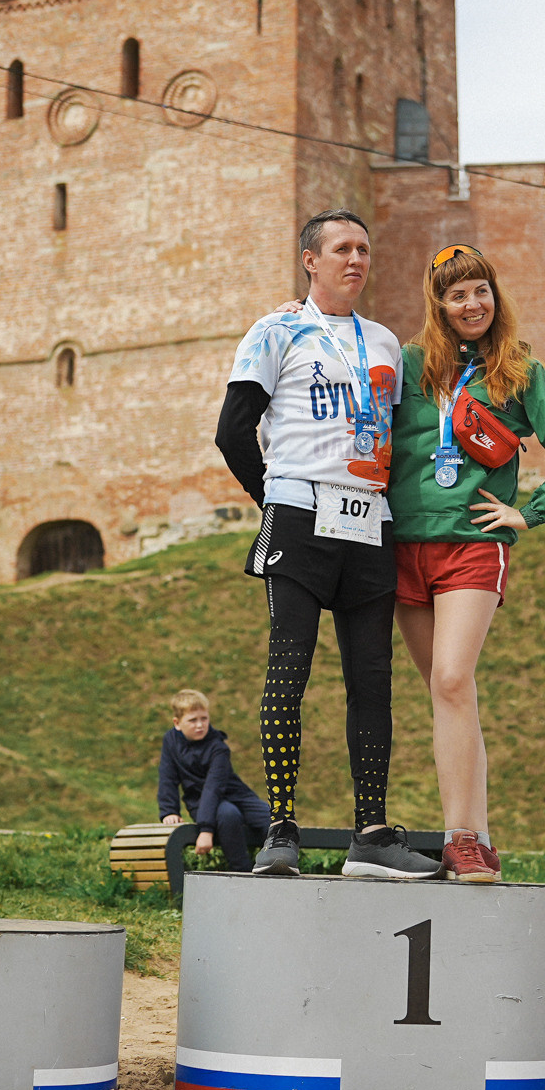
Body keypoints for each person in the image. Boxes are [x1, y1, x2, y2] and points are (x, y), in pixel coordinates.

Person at [215, 209, 440, 880]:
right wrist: (276, 497)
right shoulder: (274, 329)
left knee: (372, 680)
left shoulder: (385, 343)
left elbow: (398, 438)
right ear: (310, 259)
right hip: (299, 515)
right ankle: (280, 827)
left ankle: (370, 831)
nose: (357, 260)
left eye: (365, 250)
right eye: (342, 248)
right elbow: (233, 430)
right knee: (290, 667)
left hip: (369, 523)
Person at [386, 243, 545, 882]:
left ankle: (461, 838)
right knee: (448, 693)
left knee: (452, 679)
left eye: (481, 290)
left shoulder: (518, 369)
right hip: (402, 547)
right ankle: (477, 836)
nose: (471, 303)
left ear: (494, 297)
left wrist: (532, 511)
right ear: (439, 304)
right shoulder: (409, 363)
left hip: (472, 544)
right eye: (457, 295)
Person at [157, 690, 270, 874]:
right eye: (192, 720)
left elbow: (214, 786)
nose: (200, 725)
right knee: (228, 815)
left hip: (233, 794)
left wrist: (206, 830)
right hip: (201, 801)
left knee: (274, 819)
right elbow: (167, 777)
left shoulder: (218, 747)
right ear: (177, 723)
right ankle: (241, 872)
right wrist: (169, 811)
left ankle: (274, 868)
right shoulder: (171, 742)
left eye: (204, 718)